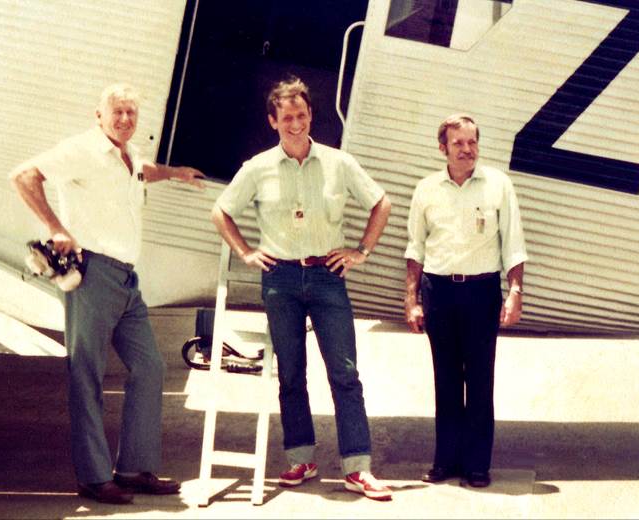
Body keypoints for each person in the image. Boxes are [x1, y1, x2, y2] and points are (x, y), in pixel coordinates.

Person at [10, 84, 205, 504]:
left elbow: (143, 171)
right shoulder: (81, 149)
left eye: (131, 114)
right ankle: (95, 477)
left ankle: (134, 468)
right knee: (87, 376)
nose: (124, 120)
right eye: (116, 112)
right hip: (93, 272)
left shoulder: (128, 155)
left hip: (126, 281)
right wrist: (56, 228)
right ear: (98, 115)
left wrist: (175, 173)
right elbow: (24, 176)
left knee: (150, 368)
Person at [211, 76, 393, 501]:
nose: (295, 124)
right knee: (291, 375)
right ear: (273, 120)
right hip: (281, 280)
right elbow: (220, 211)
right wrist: (244, 251)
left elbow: (381, 202)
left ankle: (358, 467)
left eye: (302, 115)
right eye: (286, 117)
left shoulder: (338, 162)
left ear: (312, 115)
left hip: (328, 277)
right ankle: (301, 458)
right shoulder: (257, 168)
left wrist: (361, 249)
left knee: (345, 374)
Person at [403, 114, 527, 488]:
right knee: (445, 380)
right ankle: (446, 461)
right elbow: (415, 247)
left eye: (472, 142)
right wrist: (412, 299)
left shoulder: (497, 186)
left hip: (481, 292)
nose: (467, 149)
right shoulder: (427, 189)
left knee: (479, 379)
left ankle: (477, 465)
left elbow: (514, 243)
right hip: (438, 292)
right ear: (443, 148)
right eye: (458, 143)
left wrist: (515, 292)